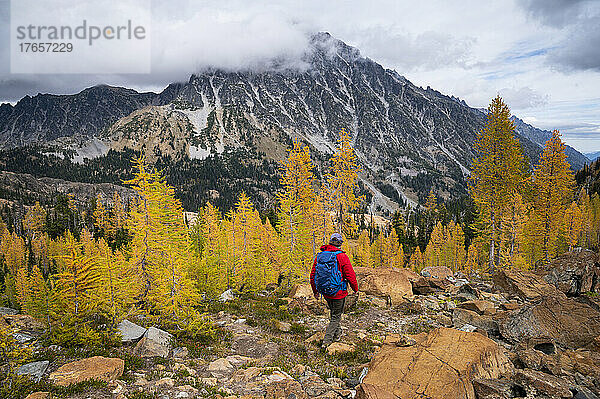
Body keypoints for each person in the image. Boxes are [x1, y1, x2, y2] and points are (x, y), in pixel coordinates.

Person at [310, 233, 358, 349]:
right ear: (340, 244)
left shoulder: (320, 256)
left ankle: (337, 334)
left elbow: (313, 275)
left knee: (333, 313)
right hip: (338, 292)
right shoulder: (341, 256)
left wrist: (315, 291)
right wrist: (355, 288)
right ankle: (327, 342)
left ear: (330, 242)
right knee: (336, 316)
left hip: (325, 291)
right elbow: (350, 275)